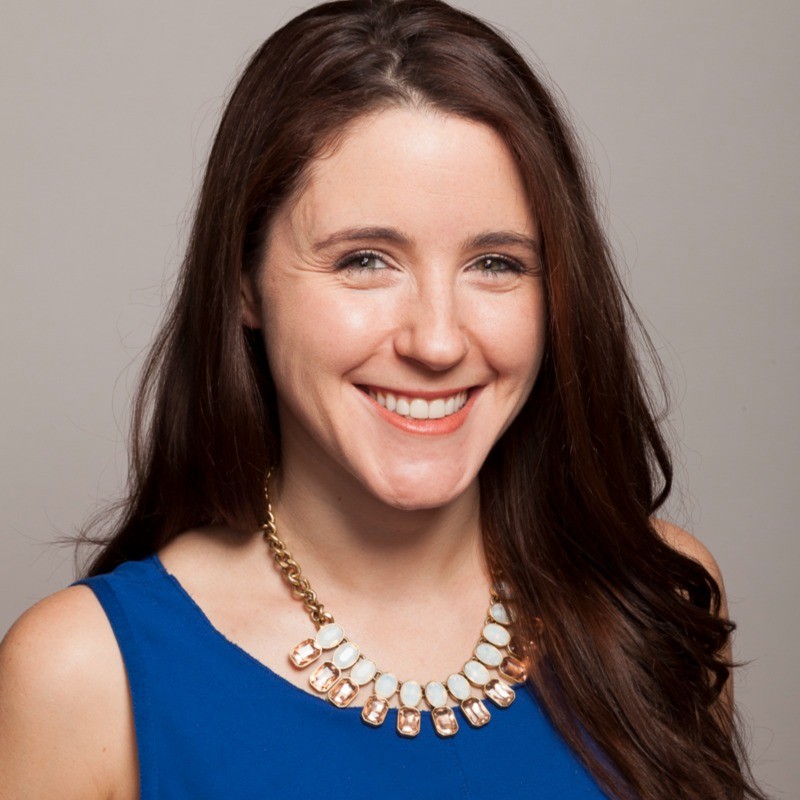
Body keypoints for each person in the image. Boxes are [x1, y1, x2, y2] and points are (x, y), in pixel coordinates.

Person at [0, 1, 766, 798]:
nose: (436, 342)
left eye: (497, 264)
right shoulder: (84, 679)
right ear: (242, 284)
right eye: (365, 259)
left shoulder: (655, 598)